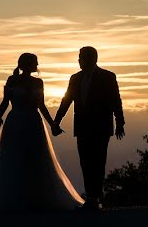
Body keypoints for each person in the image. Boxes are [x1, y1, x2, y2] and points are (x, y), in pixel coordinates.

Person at [0, 53, 84, 215]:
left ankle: (38, 199)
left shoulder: (38, 82)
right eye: (34, 62)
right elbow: (5, 102)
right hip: (15, 122)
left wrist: (52, 122)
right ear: (27, 64)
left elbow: (41, 105)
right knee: (13, 158)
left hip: (34, 122)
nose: (37, 65)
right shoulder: (12, 80)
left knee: (37, 158)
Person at [52, 46, 125, 210]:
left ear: (92, 58)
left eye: (81, 57)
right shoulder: (74, 78)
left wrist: (120, 122)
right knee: (85, 162)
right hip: (82, 127)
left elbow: (115, 100)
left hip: (101, 127)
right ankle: (91, 197)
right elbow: (66, 100)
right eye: (78, 57)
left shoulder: (107, 77)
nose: (78, 60)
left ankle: (95, 197)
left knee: (99, 162)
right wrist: (57, 120)